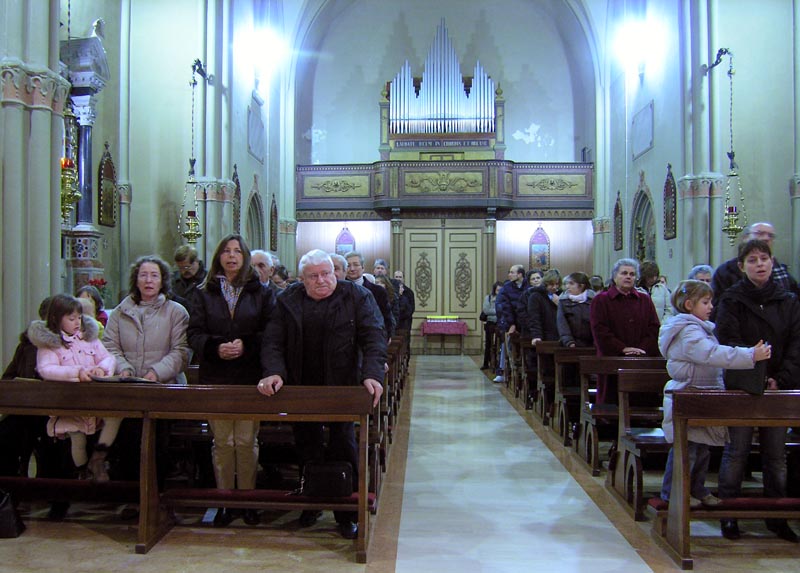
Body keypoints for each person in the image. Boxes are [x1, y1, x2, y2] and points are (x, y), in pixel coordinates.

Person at [257, 249, 386, 540]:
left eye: (326, 274)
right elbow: (273, 341)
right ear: (301, 279)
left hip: (343, 386)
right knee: (307, 447)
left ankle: (347, 513)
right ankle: (311, 503)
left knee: (344, 446)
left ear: (335, 272)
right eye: (313, 276)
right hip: (302, 387)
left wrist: (372, 373)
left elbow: (374, 336)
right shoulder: (287, 299)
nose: (321, 280)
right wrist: (274, 371)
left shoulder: (356, 296)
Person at [714, 239, 800, 542]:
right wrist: (757, 377)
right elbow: (728, 339)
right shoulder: (731, 299)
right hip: (743, 387)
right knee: (736, 452)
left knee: (776, 455)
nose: (759, 264)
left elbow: (796, 343)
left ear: (772, 262)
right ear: (742, 267)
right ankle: (729, 514)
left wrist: (781, 379)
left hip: (779, 387)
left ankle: (777, 517)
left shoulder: (789, 300)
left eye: (764, 258)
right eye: (752, 260)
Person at [658, 279, 771, 508]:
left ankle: (697, 488)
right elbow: (711, 354)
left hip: (702, 393)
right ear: (689, 304)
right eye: (706, 302)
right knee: (687, 451)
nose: (711, 306)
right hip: (689, 394)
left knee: (702, 450)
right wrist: (749, 355)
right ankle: (673, 493)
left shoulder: (699, 327)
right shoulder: (688, 331)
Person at [188, 234, 275, 527]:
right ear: (219, 257)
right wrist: (215, 347)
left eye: (237, 251)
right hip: (217, 376)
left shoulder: (261, 292)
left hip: (249, 376)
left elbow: (271, 332)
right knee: (223, 441)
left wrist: (245, 345)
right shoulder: (204, 292)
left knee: (246, 440)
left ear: (245, 257)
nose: (232, 256)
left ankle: (248, 501)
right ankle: (225, 500)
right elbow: (194, 333)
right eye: (226, 251)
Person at [28, 294, 118, 481]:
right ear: (56, 319)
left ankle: (97, 460)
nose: (77, 322)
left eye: (79, 318)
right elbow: (46, 369)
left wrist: (102, 369)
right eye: (71, 319)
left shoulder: (88, 338)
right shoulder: (50, 344)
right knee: (78, 439)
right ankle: (83, 472)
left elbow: (108, 358)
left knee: (115, 418)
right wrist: (77, 372)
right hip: (69, 403)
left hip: (95, 401)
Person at [590, 258, 661, 404]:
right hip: (613, 360)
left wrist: (641, 349)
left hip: (641, 361)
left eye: (632, 274)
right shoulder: (601, 300)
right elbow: (600, 330)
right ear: (615, 276)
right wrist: (622, 348)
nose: (628, 277)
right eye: (624, 273)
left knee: (642, 402)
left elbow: (654, 328)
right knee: (613, 402)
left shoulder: (644, 300)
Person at [711, 222, 799, 319]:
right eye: (760, 233)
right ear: (745, 238)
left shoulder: (782, 272)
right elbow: (715, 309)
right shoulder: (726, 271)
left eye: (770, 235)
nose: (766, 238)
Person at [345, 251, 394, 339]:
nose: (352, 269)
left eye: (356, 265)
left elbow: (386, 317)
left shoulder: (378, 291)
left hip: (371, 338)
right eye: (348, 265)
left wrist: (387, 336)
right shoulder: (339, 290)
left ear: (363, 267)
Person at [494, 264, 527, 383]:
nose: (509, 275)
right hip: (510, 322)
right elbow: (505, 307)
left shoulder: (528, 286)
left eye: (512, 272)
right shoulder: (507, 288)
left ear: (520, 274)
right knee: (506, 344)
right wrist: (511, 323)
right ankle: (502, 370)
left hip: (525, 323)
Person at [557, 272, 595, 348]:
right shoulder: (563, 301)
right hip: (570, 344)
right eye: (567, 283)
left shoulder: (593, 301)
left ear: (581, 286)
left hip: (591, 344)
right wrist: (568, 341)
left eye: (571, 283)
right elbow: (562, 324)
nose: (567, 286)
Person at [526, 269, 561, 347]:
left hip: (559, 336)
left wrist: (560, 305)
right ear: (545, 284)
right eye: (551, 284)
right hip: (545, 336)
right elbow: (534, 318)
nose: (555, 287)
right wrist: (536, 336)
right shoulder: (535, 296)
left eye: (557, 284)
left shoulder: (560, 295)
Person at [480, 281, 502, 370]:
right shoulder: (488, 298)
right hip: (490, 323)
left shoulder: (504, 298)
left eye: (501, 290)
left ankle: (497, 363)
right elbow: (486, 310)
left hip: (500, 323)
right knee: (488, 344)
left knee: (498, 344)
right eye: (497, 290)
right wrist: (498, 311)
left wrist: (496, 311)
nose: (499, 292)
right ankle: (486, 363)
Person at [393, 269, 416, 337]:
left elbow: (411, 309)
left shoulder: (409, 292)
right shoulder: (390, 291)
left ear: (403, 279)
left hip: (405, 324)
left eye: (400, 277)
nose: (398, 279)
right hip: (393, 324)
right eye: (396, 277)